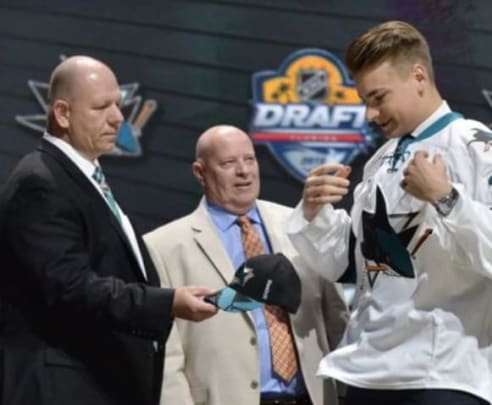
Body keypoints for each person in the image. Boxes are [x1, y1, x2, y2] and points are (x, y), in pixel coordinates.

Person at [286, 21, 492, 405]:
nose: (371, 114)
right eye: (365, 101)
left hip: (441, 375)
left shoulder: (479, 148)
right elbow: (352, 265)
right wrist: (314, 211)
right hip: (365, 371)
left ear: (419, 76)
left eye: (379, 97)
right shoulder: (380, 161)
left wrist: (446, 198)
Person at [0, 56, 217, 405]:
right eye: (102, 107)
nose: (118, 117)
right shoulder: (40, 183)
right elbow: (71, 288)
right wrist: (166, 302)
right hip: (63, 388)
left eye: (118, 104)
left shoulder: (82, 177)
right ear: (62, 114)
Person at [143, 125, 349, 405]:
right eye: (229, 163)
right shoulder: (163, 246)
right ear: (200, 172)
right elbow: (168, 351)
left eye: (249, 160)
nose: (244, 171)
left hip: (312, 397)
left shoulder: (300, 227)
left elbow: (336, 317)